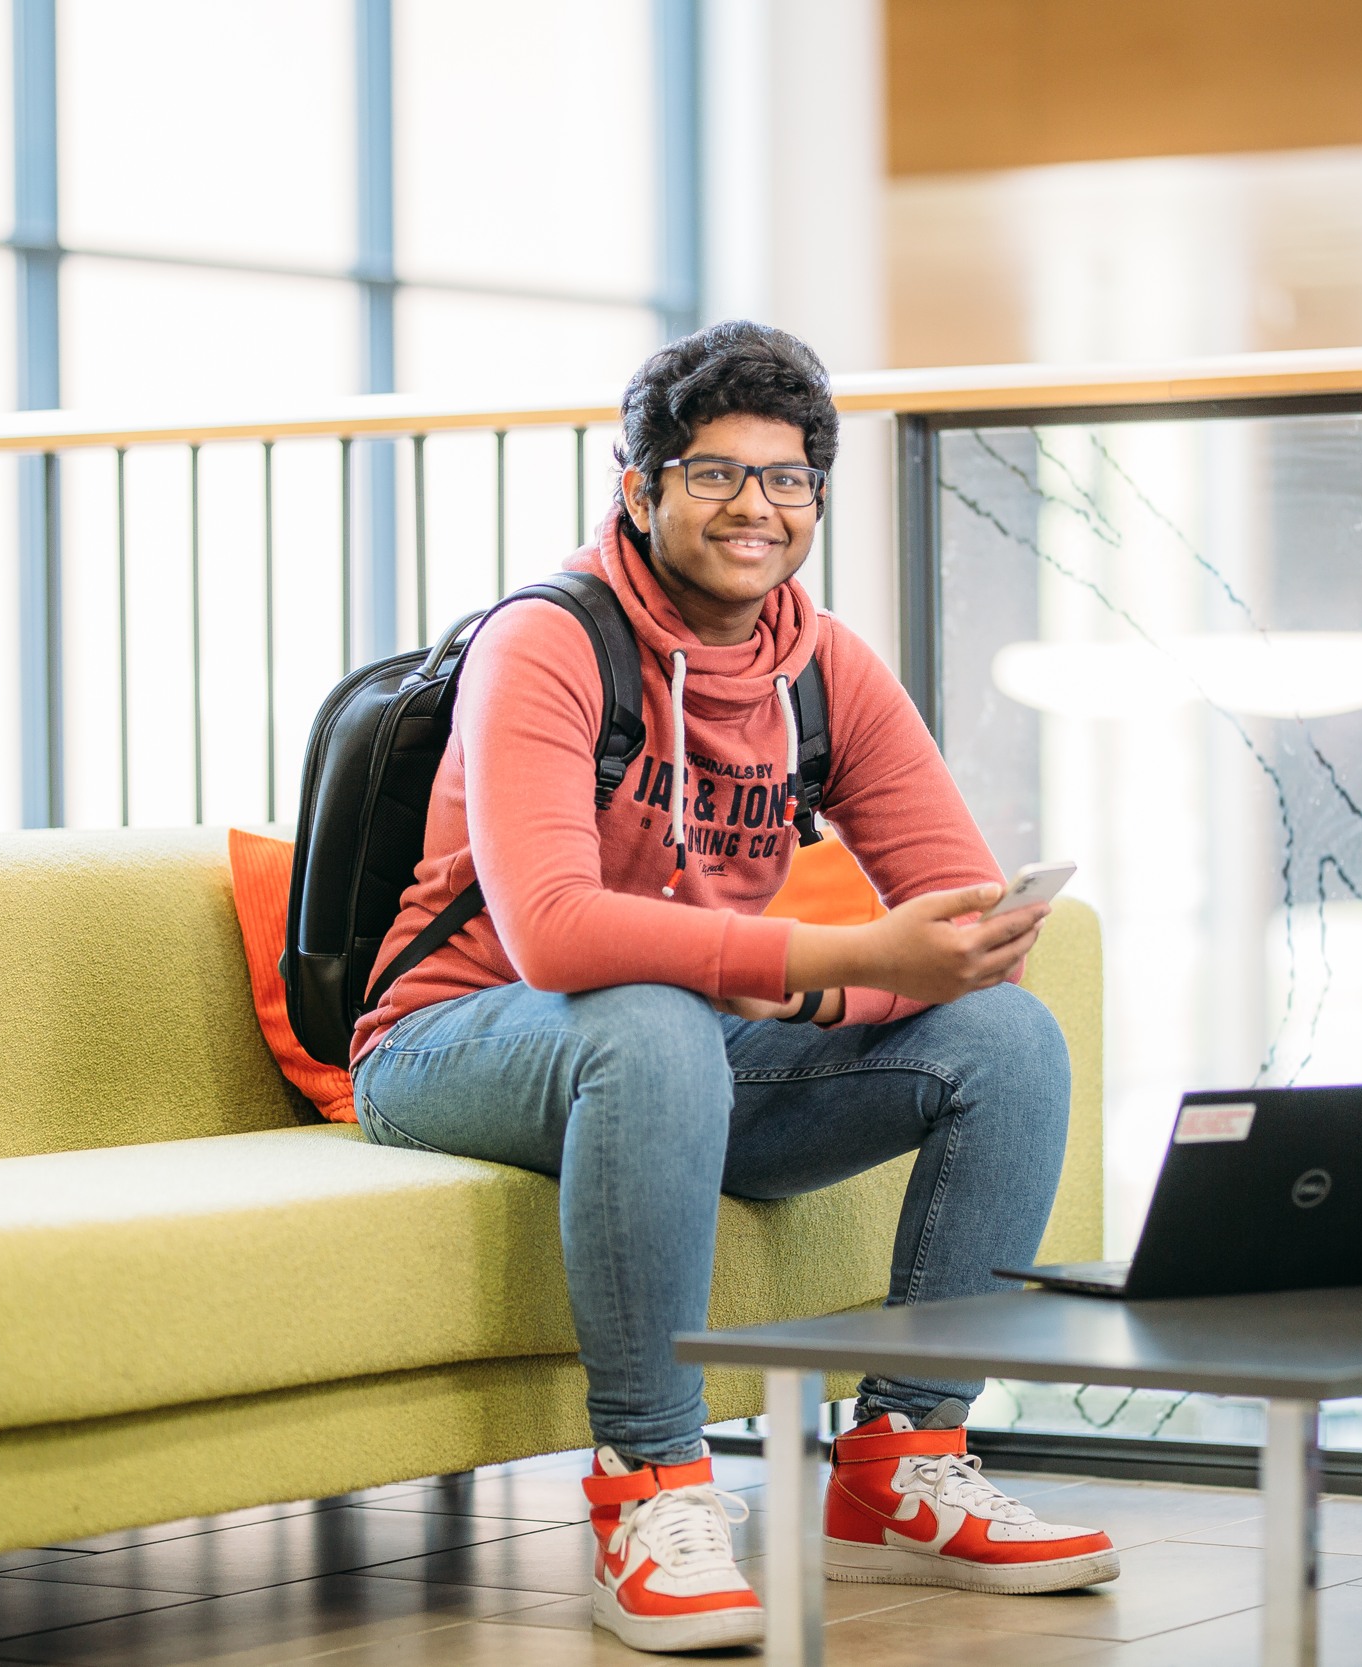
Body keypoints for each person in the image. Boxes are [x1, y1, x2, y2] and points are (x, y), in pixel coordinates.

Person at [348, 321, 1116, 1655]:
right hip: (448, 1046)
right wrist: (841, 961)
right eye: (712, 475)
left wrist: (830, 998)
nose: (754, 508)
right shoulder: (547, 641)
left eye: (787, 480)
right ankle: (651, 1486)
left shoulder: (826, 670)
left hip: (689, 1050)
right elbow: (558, 941)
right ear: (635, 489)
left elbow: (967, 923)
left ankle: (902, 1464)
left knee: (1006, 1035)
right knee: (647, 1024)